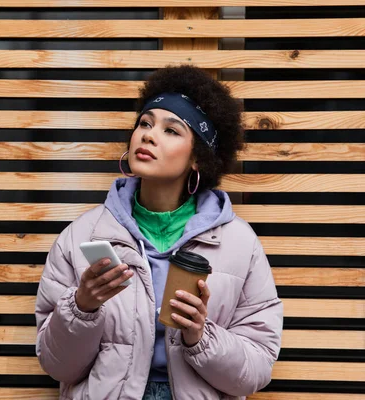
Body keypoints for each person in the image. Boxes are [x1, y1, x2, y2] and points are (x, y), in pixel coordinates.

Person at [35, 65, 283, 400]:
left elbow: (255, 370)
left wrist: (200, 335)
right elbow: (57, 366)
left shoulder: (239, 244)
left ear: (198, 158)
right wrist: (82, 307)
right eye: (145, 123)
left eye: (172, 130)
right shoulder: (82, 236)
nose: (148, 135)